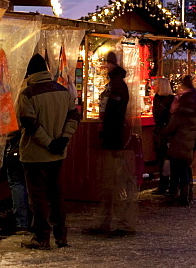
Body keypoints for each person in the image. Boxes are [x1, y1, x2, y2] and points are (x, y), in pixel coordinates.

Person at [18, 53, 81, 250]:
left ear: (29, 72)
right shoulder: (63, 92)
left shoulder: (27, 94)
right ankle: (61, 236)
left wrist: (47, 143)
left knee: (38, 196)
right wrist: (62, 140)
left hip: (35, 153)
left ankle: (41, 237)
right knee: (55, 194)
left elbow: (29, 123)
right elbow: (73, 118)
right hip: (57, 153)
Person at [90, 51, 138, 236]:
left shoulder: (117, 86)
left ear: (112, 65)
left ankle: (118, 222)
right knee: (112, 182)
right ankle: (110, 221)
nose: (104, 66)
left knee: (115, 182)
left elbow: (114, 113)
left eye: (106, 63)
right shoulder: (116, 85)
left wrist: (106, 130)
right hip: (114, 138)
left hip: (114, 140)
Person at [161, 75, 196, 207]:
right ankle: (185, 194)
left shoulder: (181, 110)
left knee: (177, 167)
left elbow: (172, 126)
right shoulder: (195, 106)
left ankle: (178, 194)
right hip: (189, 140)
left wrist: (163, 133)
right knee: (185, 166)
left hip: (179, 141)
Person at [151, 78, 175, 196]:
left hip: (165, 133)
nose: (154, 86)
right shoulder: (157, 98)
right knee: (161, 159)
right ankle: (163, 185)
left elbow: (170, 118)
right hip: (159, 132)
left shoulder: (170, 100)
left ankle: (167, 185)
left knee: (166, 160)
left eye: (156, 84)